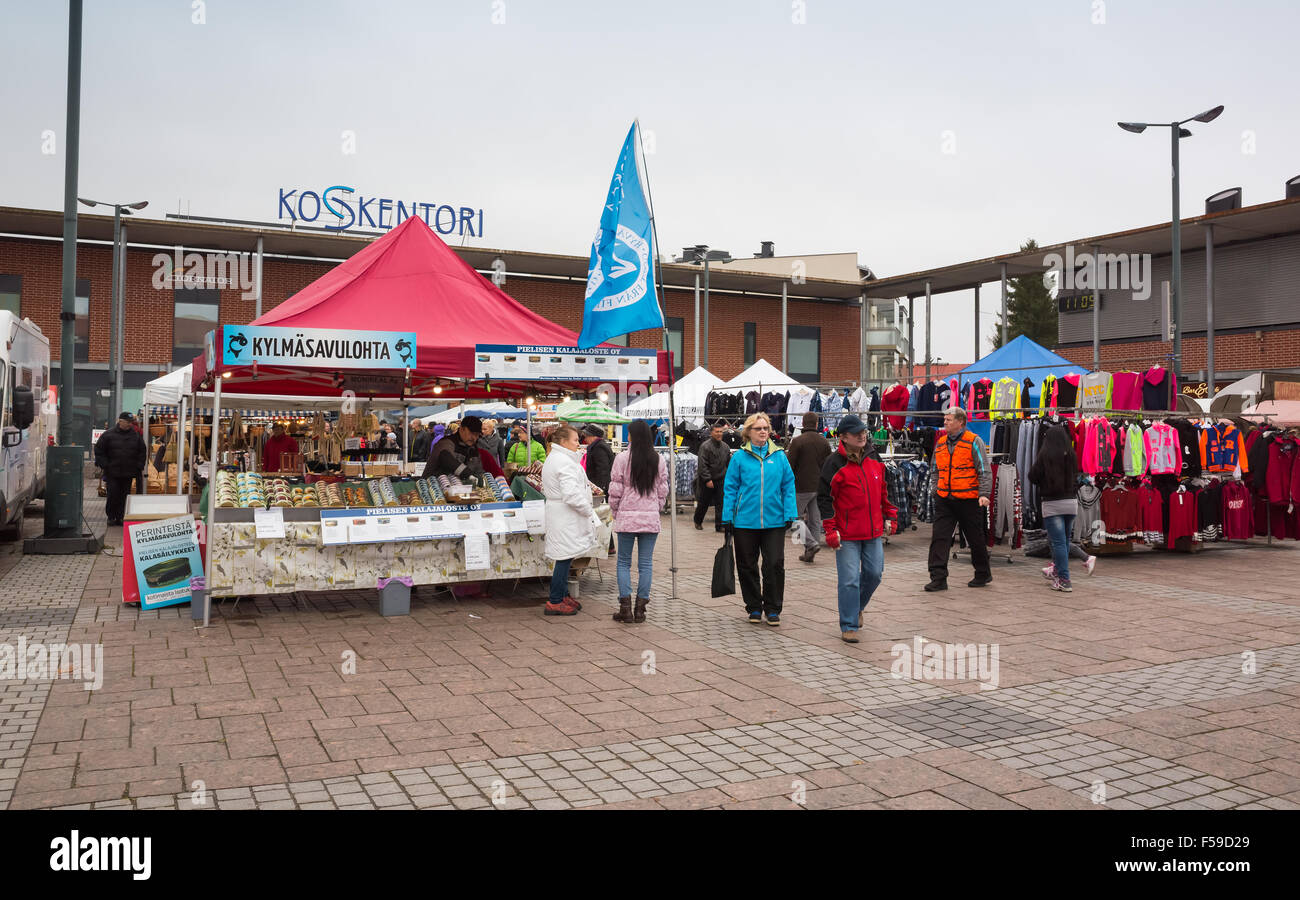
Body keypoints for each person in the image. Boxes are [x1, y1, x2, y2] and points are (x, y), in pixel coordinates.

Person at [817, 414, 898, 642]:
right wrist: (830, 530)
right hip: (847, 534)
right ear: (843, 437)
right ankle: (849, 624)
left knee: (874, 575)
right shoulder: (833, 464)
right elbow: (825, 499)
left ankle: (857, 607)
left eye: (863, 431)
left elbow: (885, 490)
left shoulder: (875, 457)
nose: (862, 435)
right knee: (850, 579)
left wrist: (891, 515)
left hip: (873, 531)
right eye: (856, 433)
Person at [722, 412, 798, 626]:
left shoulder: (780, 456)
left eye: (766, 428)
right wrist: (727, 516)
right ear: (749, 432)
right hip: (744, 521)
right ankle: (754, 606)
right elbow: (730, 488)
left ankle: (773, 608)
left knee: (774, 564)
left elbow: (788, 486)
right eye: (758, 428)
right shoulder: (738, 457)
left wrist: (790, 512)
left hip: (774, 521)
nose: (763, 431)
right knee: (747, 565)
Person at [607, 419, 668, 624]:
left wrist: (616, 511)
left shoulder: (622, 459)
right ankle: (641, 610)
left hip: (626, 518)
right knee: (645, 564)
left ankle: (625, 609)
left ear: (632, 435)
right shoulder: (658, 459)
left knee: (623, 562)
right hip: (650, 518)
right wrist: (654, 509)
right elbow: (662, 490)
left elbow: (615, 490)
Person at [925, 407, 992, 591]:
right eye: (944, 419)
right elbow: (934, 469)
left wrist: (984, 494)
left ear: (961, 422)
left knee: (975, 538)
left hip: (968, 499)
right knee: (939, 538)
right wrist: (935, 489)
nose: (945, 422)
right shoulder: (940, 443)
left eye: (949, 419)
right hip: (944, 499)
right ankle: (938, 578)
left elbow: (984, 470)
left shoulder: (973, 441)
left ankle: (982, 573)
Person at [541, 425, 597, 616]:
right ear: (563, 442)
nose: (578, 443)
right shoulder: (563, 461)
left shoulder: (557, 458)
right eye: (575, 440)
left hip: (561, 514)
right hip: (565, 515)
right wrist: (587, 510)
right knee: (564, 558)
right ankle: (555, 600)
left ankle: (562, 594)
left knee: (565, 556)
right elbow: (571, 494)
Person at [1029, 424, 1088, 592]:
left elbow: (1032, 476)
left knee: (1059, 543)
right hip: (1070, 503)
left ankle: (1064, 579)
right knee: (1063, 541)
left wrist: (1043, 482)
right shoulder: (1071, 455)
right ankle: (1058, 572)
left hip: (1052, 503)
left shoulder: (1045, 455)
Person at [786, 411, 832, 561]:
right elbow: (828, 466)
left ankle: (811, 545)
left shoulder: (798, 441)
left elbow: (789, 466)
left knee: (793, 519)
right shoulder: (824, 442)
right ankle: (810, 551)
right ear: (817, 424)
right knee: (815, 520)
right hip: (819, 486)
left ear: (803, 423)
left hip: (801, 486)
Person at [95, 412, 147, 526]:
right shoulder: (108, 435)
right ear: (120, 421)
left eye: (131, 422)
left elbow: (142, 451)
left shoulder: (135, 435)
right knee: (113, 494)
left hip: (128, 472)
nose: (130, 424)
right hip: (112, 472)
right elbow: (99, 450)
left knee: (125, 496)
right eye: (128, 422)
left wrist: (139, 465)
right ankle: (111, 516)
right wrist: (105, 464)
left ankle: (121, 517)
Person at [422, 415, 484, 481]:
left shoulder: (473, 449)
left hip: (459, 488)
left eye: (477, 435)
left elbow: (478, 471)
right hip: (432, 486)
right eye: (471, 433)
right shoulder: (446, 442)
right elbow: (447, 460)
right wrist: (468, 474)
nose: (474, 438)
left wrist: (480, 479)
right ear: (462, 429)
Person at [694, 422, 730, 532]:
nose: (719, 434)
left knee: (721, 503)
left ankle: (719, 526)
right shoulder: (705, 446)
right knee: (703, 503)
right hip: (707, 480)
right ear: (711, 433)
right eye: (717, 432)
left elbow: (728, 464)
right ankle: (698, 521)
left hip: (721, 479)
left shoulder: (726, 447)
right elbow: (702, 464)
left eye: (721, 432)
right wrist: (707, 479)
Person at [581, 424, 615, 496]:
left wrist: (600, 488)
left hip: (600, 487)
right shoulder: (598, 445)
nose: (585, 439)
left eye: (586, 436)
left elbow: (603, 469)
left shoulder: (599, 447)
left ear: (593, 436)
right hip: (599, 485)